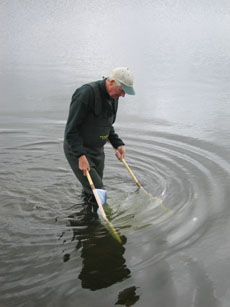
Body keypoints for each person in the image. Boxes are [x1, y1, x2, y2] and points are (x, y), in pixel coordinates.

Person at [64, 67, 135, 206]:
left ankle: (88, 213)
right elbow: (71, 130)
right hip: (78, 149)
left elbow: (107, 125)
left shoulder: (114, 97)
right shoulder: (85, 94)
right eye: (122, 91)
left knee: (92, 189)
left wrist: (118, 144)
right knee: (98, 191)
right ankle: (95, 223)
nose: (123, 95)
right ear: (112, 82)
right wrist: (80, 156)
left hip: (97, 151)